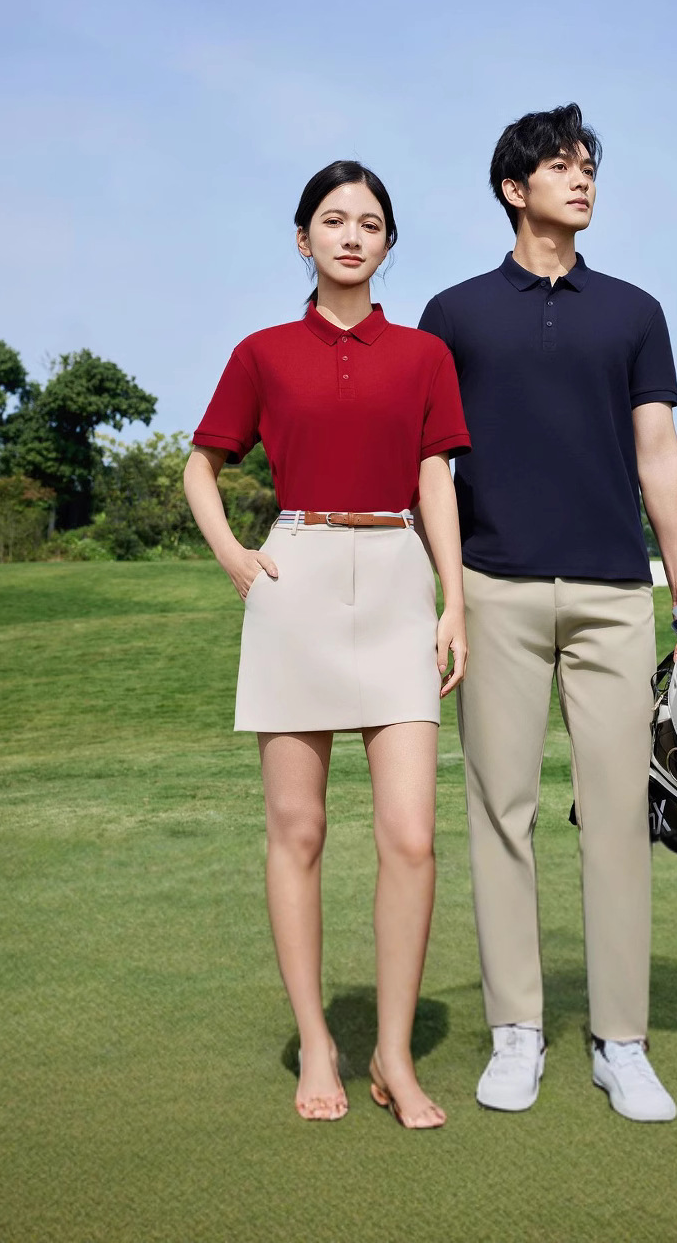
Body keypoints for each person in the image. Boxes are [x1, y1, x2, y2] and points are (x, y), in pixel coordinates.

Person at [419, 104, 677, 1123]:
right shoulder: (453, 315)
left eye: (589, 167)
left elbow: (658, 455)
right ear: (514, 187)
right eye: (562, 166)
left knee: (618, 814)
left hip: (616, 594)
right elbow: (430, 464)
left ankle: (622, 1041)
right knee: (501, 811)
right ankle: (516, 1032)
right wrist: (449, 596)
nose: (582, 180)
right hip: (493, 587)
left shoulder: (634, 311)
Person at [184, 161, 470, 1130]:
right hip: (295, 576)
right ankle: (317, 1039)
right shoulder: (261, 352)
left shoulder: (426, 355)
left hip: (398, 577)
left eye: (371, 222)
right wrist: (234, 556)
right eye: (335, 220)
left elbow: (435, 478)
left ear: (389, 243)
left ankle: (393, 1052)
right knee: (297, 830)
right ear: (302, 238)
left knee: (412, 835)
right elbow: (200, 465)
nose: (353, 236)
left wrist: (454, 601)